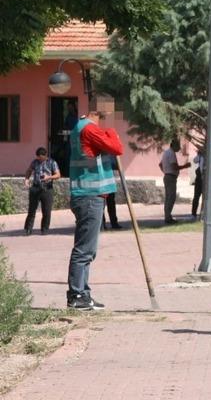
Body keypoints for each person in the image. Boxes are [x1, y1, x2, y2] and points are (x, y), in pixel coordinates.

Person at [67, 96, 124, 310]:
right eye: (108, 111)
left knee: (88, 249)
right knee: (84, 249)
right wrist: (111, 132)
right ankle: (76, 294)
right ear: (100, 110)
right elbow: (117, 147)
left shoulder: (80, 127)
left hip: (87, 193)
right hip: (89, 194)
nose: (110, 115)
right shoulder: (90, 129)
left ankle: (84, 293)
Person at [23, 147, 61, 235]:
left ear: (45, 155)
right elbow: (29, 171)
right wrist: (26, 179)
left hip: (47, 188)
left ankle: (44, 229)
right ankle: (28, 229)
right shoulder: (35, 162)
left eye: (40, 157)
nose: (39, 159)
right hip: (35, 187)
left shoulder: (52, 162)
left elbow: (58, 175)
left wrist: (49, 177)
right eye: (38, 157)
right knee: (31, 210)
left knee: (46, 211)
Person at [159, 138, 191, 224]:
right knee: (171, 198)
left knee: (168, 197)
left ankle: (167, 216)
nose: (179, 148)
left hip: (167, 176)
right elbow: (174, 167)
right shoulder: (171, 153)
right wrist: (185, 166)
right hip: (171, 177)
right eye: (178, 146)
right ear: (174, 145)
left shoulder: (166, 152)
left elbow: (160, 164)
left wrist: (165, 171)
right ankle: (168, 217)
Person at [101, 155, 123, 230]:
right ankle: (102, 224)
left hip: (109, 180)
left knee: (111, 203)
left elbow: (115, 164)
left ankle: (114, 223)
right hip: (100, 181)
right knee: (101, 203)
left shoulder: (110, 153)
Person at [191, 151, 205, 220]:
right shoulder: (200, 156)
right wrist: (199, 154)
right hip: (199, 179)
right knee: (196, 196)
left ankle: (203, 214)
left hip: (205, 179)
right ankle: (193, 214)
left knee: (205, 197)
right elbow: (194, 160)